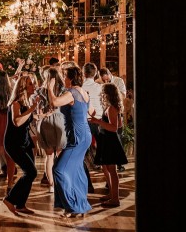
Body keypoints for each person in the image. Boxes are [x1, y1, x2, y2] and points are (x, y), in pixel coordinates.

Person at [48, 63, 92, 218]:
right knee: (76, 171)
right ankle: (80, 204)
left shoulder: (72, 92)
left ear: (71, 78)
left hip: (77, 136)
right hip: (84, 134)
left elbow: (54, 102)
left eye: (65, 76)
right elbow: (90, 111)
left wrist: (50, 88)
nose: (64, 79)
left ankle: (72, 206)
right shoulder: (84, 93)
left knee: (58, 169)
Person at [2, 71, 39, 215]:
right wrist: (32, 109)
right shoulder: (15, 103)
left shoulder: (27, 102)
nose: (33, 86)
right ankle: (10, 199)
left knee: (30, 173)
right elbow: (17, 122)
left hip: (25, 141)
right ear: (23, 87)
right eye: (30, 84)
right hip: (14, 143)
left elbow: (28, 118)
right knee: (31, 172)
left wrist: (42, 114)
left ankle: (21, 204)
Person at [89, 83, 128, 207]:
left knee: (112, 170)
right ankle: (112, 194)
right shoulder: (112, 107)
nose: (101, 95)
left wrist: (98, 121)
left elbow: (114, 128)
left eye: (103, 93)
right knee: (106, 168)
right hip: (107, 140)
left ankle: (115, 199)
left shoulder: (111, 108)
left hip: (110, 141)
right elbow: (120, 124)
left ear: (107, 94)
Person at [35, 65, 66, 193]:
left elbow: (38, 109)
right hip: (60, 120)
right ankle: (62, 183)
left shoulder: (40, 91)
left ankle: (52, 185)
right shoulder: (63, 89)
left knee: (49, 156)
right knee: (60, 154)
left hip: (45, 120)